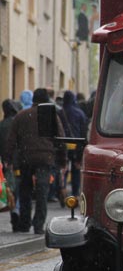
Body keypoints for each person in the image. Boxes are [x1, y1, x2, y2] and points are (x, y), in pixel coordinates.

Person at [4, 88, 67, 234]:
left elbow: (11, 139)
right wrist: (62, 160)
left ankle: (24, 223)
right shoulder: (51, 116)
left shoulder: (21, 116)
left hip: (25, 158)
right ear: (47, 100)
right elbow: (61, 139)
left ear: (33, 100)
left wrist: (8, 158)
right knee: (42, 192)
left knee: (25, 191)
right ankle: (38, 225)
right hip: (46, 158)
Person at [0, 99, 22, 230]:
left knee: (9, 188)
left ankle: (13, 209)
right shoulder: (17, 123)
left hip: (5, 162)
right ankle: (16, 211)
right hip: (18, 161)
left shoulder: (1, 125)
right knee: (18, 188)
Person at [62, 90, 88, 197]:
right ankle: (75, 192)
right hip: (76, 145)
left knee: (63, 168)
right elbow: (83, 131)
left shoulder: (60, 112)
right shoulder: (79, 113)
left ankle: (62, 188)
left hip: (62, 144)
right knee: (76, 170)